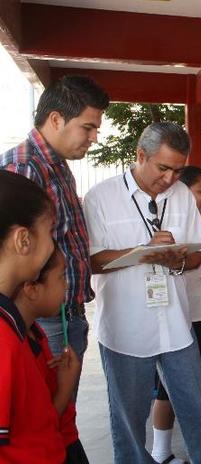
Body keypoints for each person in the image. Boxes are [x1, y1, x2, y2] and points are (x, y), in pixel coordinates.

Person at [83, 123, 201, 463]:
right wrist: (144, 251)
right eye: (163, 168)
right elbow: (93, 261)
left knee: (198, 410)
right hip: (124, 329)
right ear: (140, 155)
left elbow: (197, 255)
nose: (170, 178)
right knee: (129, 421)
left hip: (176, 323)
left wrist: (177, 258)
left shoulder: (181, 196)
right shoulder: (101, 197)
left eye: (177, 169)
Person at [0, 75, 109, 391]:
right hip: (41, 319)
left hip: (65, 312)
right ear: (56, 119)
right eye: (87, 128)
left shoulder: (56, 165)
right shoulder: (24, 168)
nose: (94, 138)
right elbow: (12, 258)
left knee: (61, 414)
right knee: (43, 413)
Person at [150, 166, 201, 464]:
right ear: (181, 193)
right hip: (185, 321)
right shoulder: (172, 224)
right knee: (168, 392)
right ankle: (161, 453)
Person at [0, 170, 65, 462]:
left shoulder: (14, 324)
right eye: (49, 231)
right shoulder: (3, 339)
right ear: (23, 239)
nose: (52, 244)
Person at [16, 247, 87, 463]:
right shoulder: (14, 347)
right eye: (61, 277)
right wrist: (65, 388)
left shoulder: (35, 334)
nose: (67, 285)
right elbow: (37, 431)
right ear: (32, 288)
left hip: (64, 442)